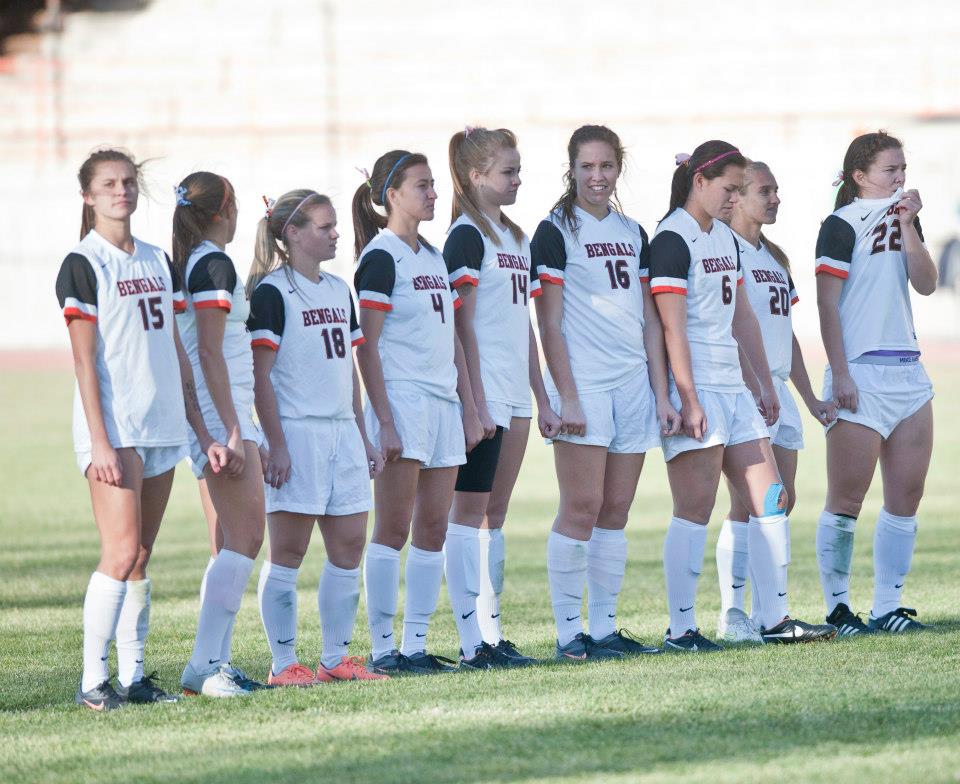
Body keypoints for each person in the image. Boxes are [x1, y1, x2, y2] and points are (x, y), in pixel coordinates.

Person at [650, 140, 837, 651]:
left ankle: (775, 619)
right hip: (698, 387)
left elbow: (743, 318)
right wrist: (687, 397)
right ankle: (681, 628)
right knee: (694, 507)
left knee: (771, 499)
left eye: (739, 190)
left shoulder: (725, 241)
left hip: (736, 388)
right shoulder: (671, 239)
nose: (735, 199)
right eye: (729, 189)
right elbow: (672, 330)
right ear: (700, 182)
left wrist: (759, 382)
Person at [57, 148, 224, 709]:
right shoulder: (84, 262)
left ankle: (134, 676)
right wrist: (99, 440)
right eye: (108, 184)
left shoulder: (156, 260)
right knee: (120, 550)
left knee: (143, 554)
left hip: (161, 423)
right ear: (88, 195)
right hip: (116, 425)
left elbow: (176, 348)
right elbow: (84, 361)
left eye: (128, 182)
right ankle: (92, 681)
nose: (121, 192)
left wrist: (199, 428)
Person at [531, 125, 675, 661]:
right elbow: (548, 323)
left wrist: (661, 394)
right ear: (571, 169)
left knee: (616, 508)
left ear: (619, 168)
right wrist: (565, 395)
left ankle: (604, 629)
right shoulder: (552, 231)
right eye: (587, 167)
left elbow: (649, 321)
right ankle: (570, 636)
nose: (597, 177)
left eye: (606, 167)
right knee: (582, 506)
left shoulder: (633, 231)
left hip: (633, 383)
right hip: (584, 384)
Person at [247, 189, 387, 684]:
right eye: (324, 227)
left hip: (343, 434)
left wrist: (364, 435)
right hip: (298, 435)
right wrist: (276, 443)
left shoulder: (336, 288)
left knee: (349, 546)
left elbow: (346, 367)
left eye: (334, 226)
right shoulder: (272, 292)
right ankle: (283, 663)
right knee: (288, 552)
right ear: (292, 233)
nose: (335, 234)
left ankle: (335, 660)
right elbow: (260, 376)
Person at [353, 150, 483, 674]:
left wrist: (468, 407)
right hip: (401, 401)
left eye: (433, 185)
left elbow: (452, 338)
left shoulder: (432, 255)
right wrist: (383, 420)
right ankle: (383, 648)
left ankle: (416, 645)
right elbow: (366, 345)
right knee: (392, 528)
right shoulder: (381, 257)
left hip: (442, 403)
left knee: (433, 528)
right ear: (392, 196)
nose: (433, 194)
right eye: (422, 186)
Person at [442, 126, 560, 668]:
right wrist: (473, 400)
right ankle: (473, 642)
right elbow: (456, 324)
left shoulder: (514, 237)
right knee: (466, 515)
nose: (517, 179)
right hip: (481, 394)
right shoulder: (465, 237)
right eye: (507, 171)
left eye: (517, 170)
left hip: (514, 394)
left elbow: (525, 324)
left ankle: (493, 634)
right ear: (475, 176)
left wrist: (542, 395)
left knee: (496, 514)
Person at [814, 131, 937, 635]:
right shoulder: (838, 225)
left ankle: (888, 606)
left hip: (908, 372)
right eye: (889, 169)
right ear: (859, 176)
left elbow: (926, 283)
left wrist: (909, 225)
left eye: (902, 168)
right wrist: (840, 372)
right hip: (860, 371)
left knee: (905, 497)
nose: (899, 177)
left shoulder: (906, 217)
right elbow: (826, 304)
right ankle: (839, 608)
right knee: (847, 499)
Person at [714, 161, 837, 642]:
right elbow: (727, 326)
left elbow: (786, 336)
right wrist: (757, 384)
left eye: (777, 190)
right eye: (765, 191)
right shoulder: (726, 252)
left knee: (781, 503)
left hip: (778, 391)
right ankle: (736, 614)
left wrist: (806, 397)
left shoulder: (775, 258)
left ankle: (767, 616)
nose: (775, 198)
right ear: (738, 197)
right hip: (745, 390)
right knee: (754, 501)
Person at [173, 171, 268, 696]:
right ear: (223, 212)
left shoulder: (195, 260)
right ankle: (204, 666)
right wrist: (231, 428)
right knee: (249, 536)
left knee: (229, 541)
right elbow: (208, 351)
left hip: (215, 410)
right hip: (221, 410)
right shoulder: (213, 262)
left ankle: (214, 663)